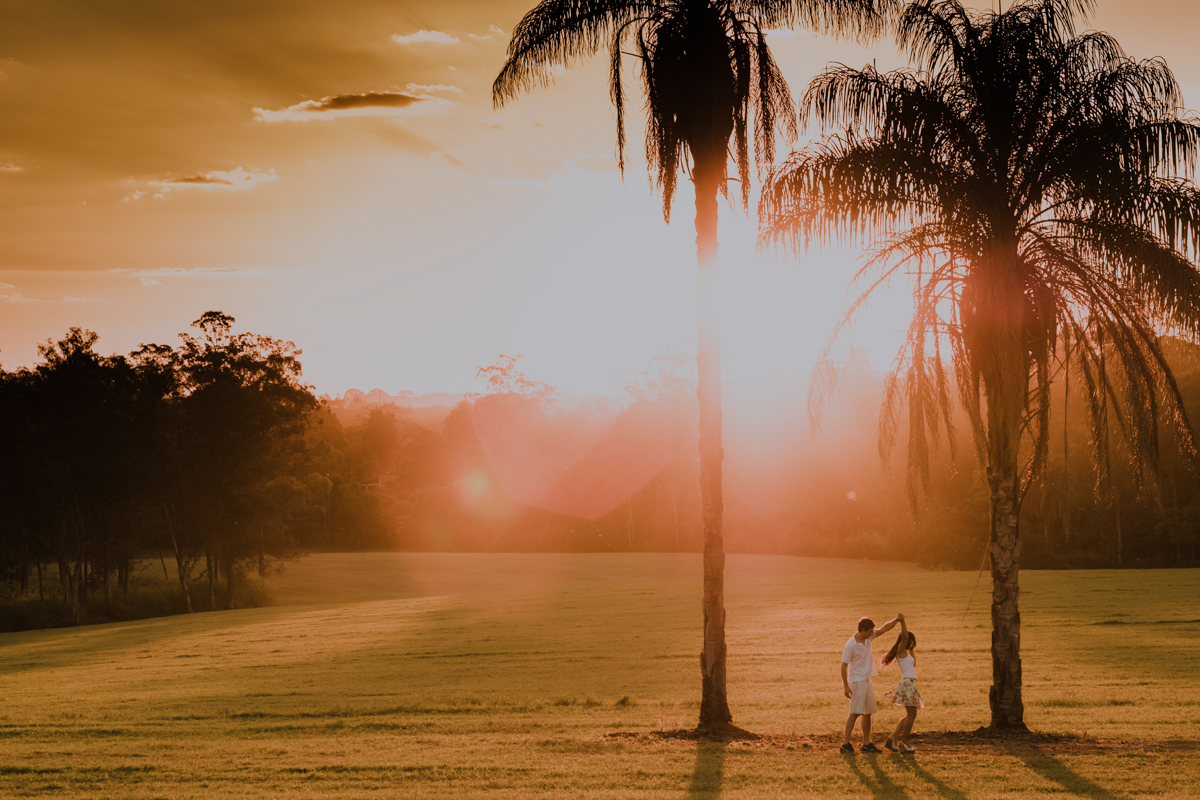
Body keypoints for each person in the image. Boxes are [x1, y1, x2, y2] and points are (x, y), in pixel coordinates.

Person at [840, 612, 903, 753]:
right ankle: (845, 744)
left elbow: (885, 628)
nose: (871, 634)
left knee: (868, 713)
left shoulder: (868, 637)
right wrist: (845, 686)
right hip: (856, 682)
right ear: (862, 630)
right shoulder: (850, 645)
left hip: (867, 680)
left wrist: (897, 620)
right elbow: (843, 666)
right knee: (855, 713)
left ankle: (866, 744)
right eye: (869, 631)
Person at [881, 615, 925, 754]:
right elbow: (904, 637)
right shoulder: (900, 650)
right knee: (911, 715)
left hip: (910, 683)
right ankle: (904, 742)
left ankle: (893, 738)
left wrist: (912, 648)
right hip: (907, 683)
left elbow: (914, 663)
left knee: (910, 715)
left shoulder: (906, 653)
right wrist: (902, 621)